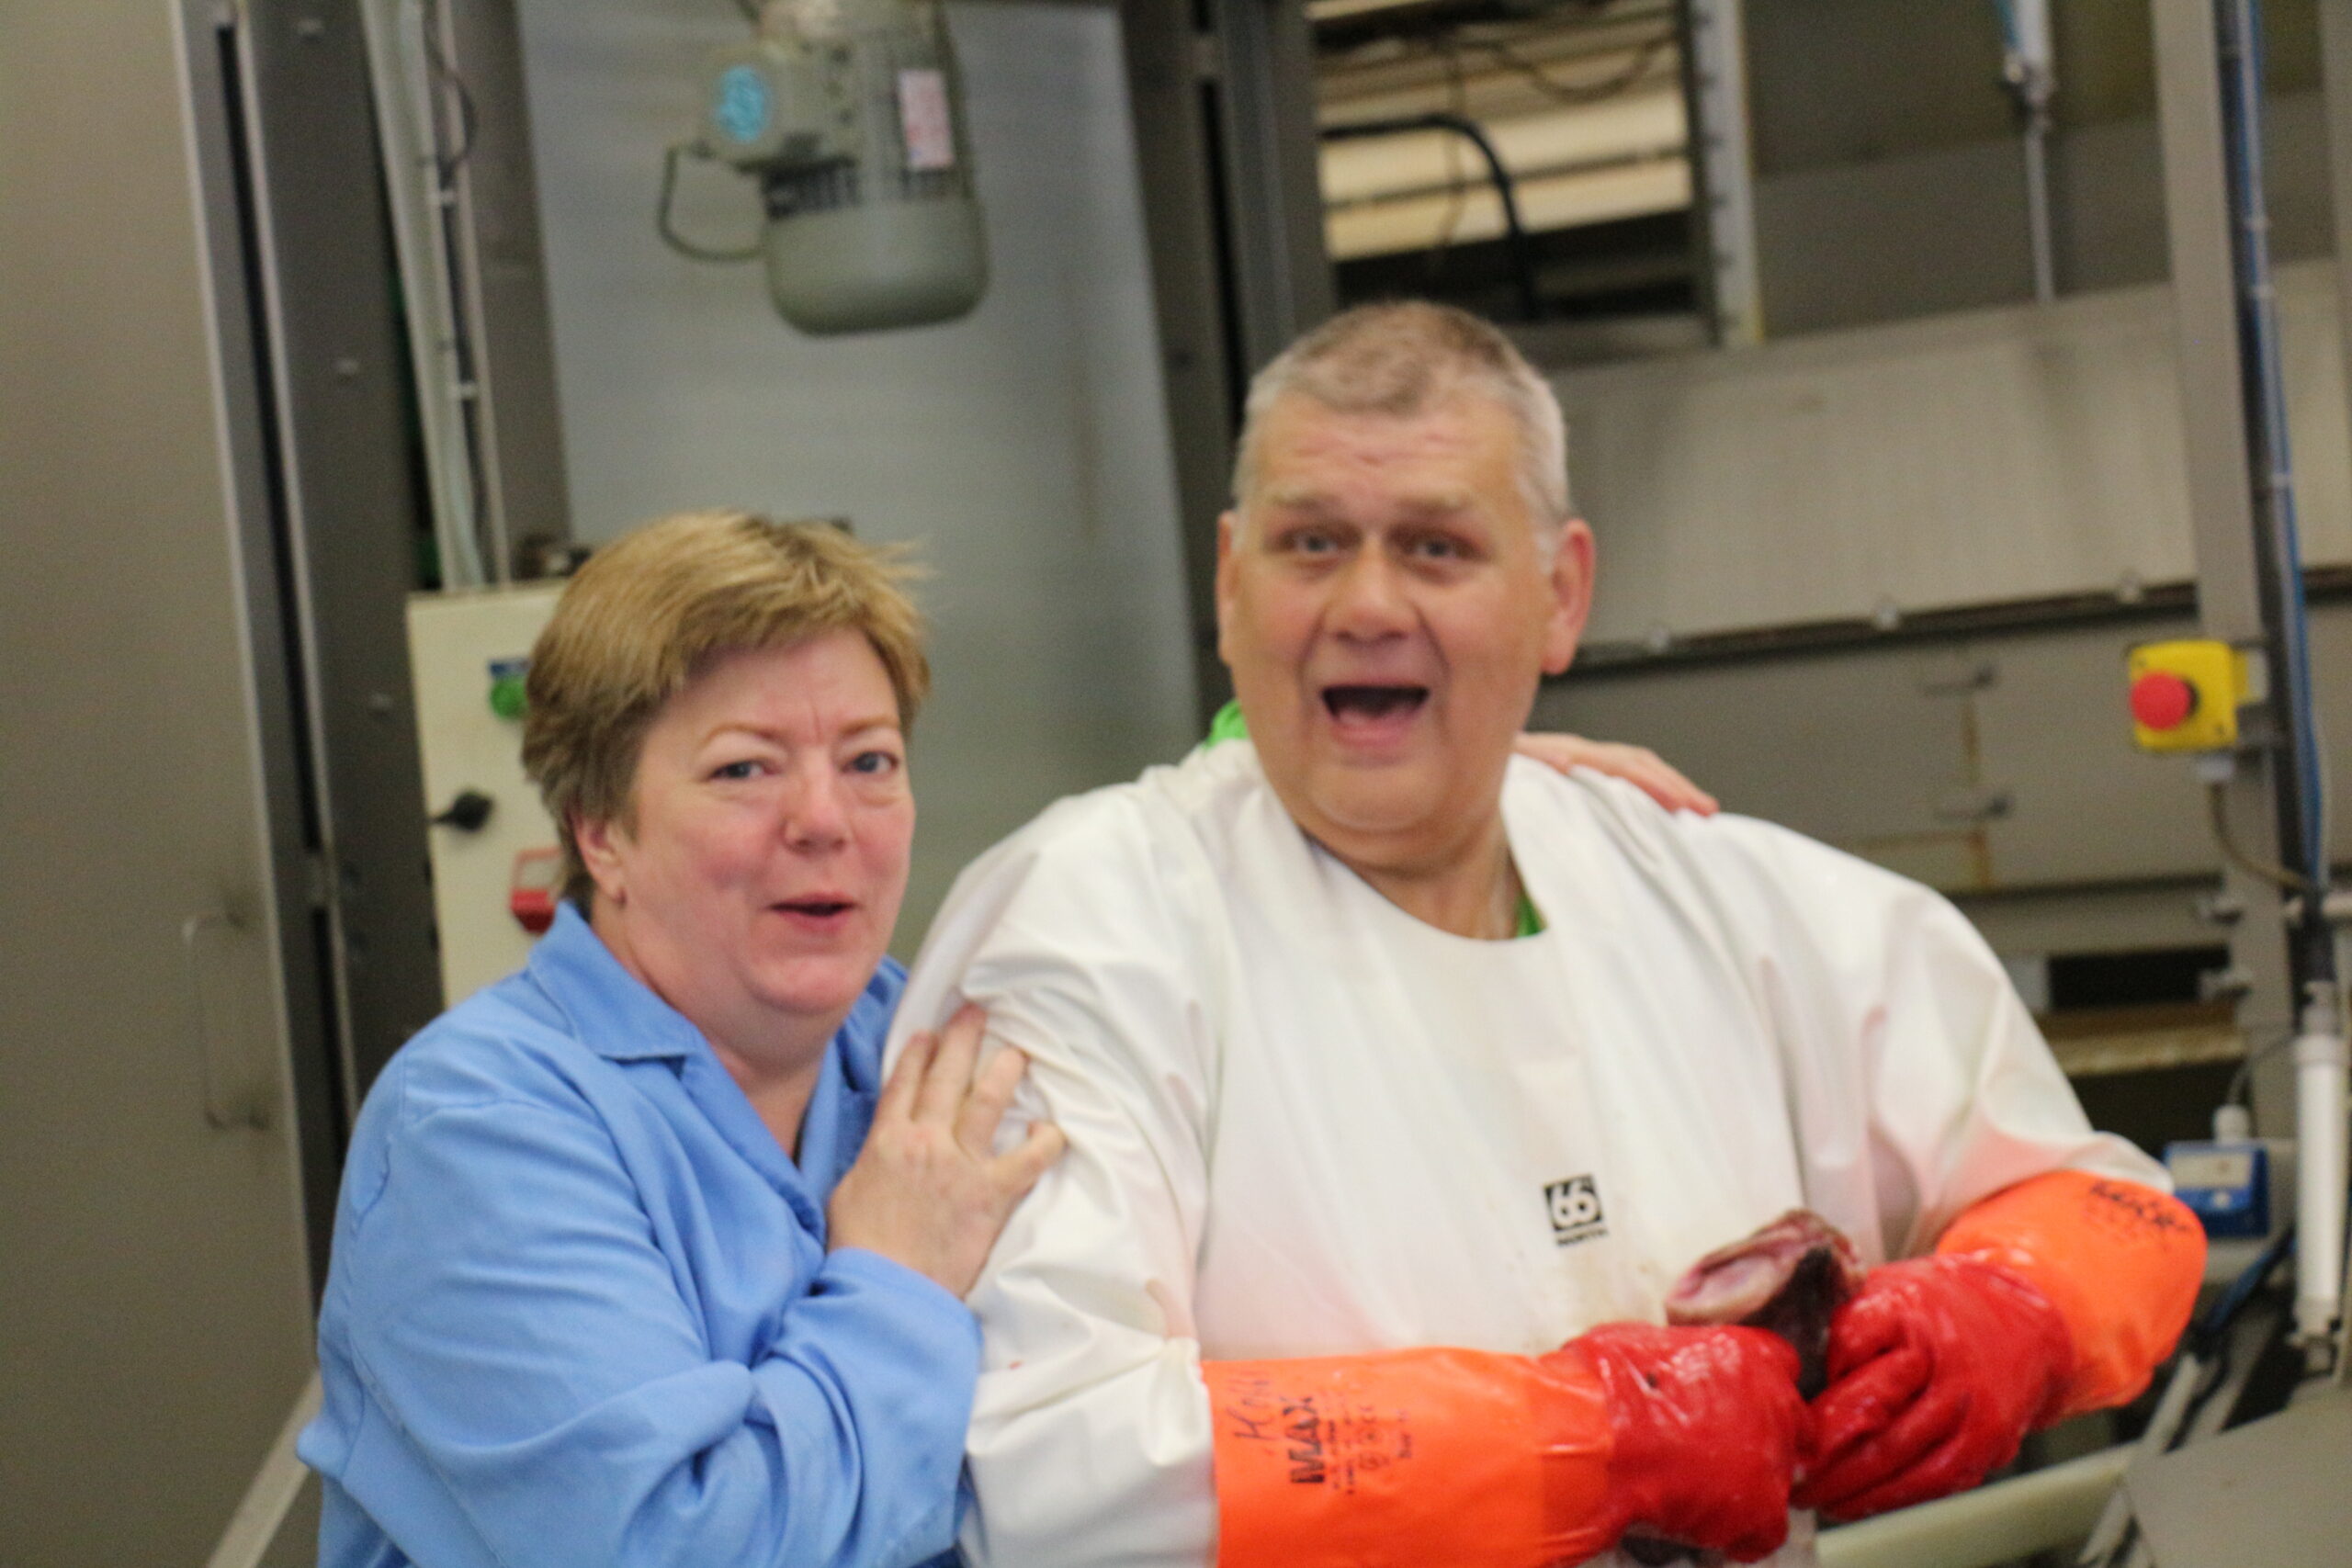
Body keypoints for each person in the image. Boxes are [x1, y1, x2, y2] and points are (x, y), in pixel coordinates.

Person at [888, 303, 2208, 1568]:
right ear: (1231, 585)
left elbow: (2116, 1210)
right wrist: (1584, 1444)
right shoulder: (1094, 924)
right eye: (1311, 544)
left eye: (1436, 548)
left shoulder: (1721, 896)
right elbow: (1042, 1469)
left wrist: (2013, 1312)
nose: (1366, 604)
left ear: (1562, 595)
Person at [296, 507, 1709, 1568]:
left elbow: (1220, 963)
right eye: (744, 770)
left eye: (869, 760)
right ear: (601, 829)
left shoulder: (928, 1041)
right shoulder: (483, 1132)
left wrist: (1448, 795)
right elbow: (685, 1545)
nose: (825, 820)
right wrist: (894, 1278)